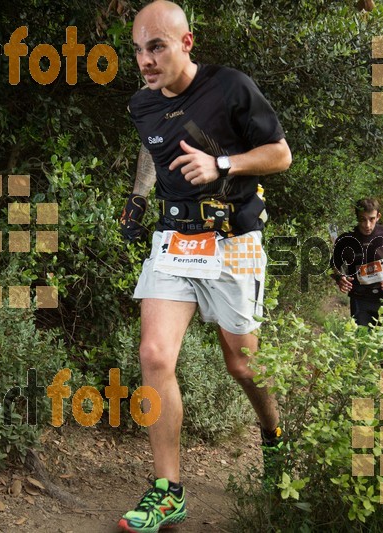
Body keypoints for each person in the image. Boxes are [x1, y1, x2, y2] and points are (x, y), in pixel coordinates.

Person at [117, 1, 292, 531]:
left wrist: (221, 162)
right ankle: (168, 491)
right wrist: (139, 197)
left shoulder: (231, 87)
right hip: (175, 239)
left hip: (233, 238)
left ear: (187, 43)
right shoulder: (142, 104)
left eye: (157, 47)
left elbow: (280, 154)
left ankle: (273, 435)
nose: (146, 61)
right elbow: (152, 147)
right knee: (154, 355)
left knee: (242, 367)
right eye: (138, 50)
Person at [331, 198, 383, 327]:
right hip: (359, 299)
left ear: (378, 216)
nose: (367, 225)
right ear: (357, 218)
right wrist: (339, 278)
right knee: (361, 341)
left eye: (371, 219)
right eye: (362, 219)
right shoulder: (346, 239)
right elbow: (333, 265)